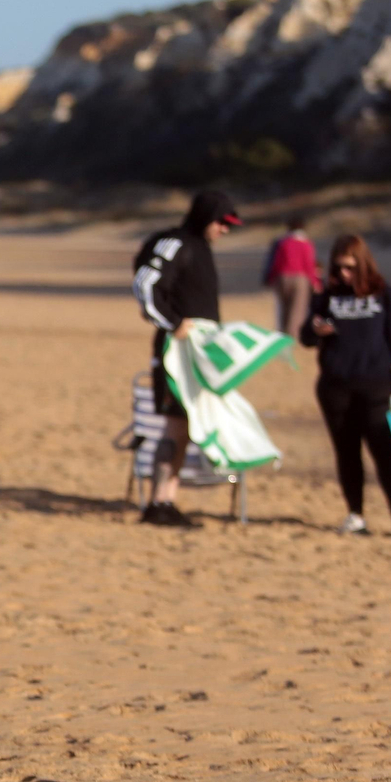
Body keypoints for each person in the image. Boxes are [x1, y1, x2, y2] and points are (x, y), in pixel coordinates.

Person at [132, 189, 241, 528]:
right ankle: (158, 502)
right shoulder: (176, 242)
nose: (225, 230)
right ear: (206, 217)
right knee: (175, 424)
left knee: (185, 428)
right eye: (222, 223)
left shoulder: (201, 249)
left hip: (199, 351)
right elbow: (145, 281)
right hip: (175, 352)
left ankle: (167, 498)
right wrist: (171, 322)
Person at [300, 234, 391, 541]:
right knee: (346, 452)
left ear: (363, 265)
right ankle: (356, 514)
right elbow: (305, 337)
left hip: (376, 386)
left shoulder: (384, 294)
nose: (344, 275)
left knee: (384, 451)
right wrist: (315, 329)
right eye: (339, 269)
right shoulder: (327, 296)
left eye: (350, 268)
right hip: (335, 388)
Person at [264, 215, 320, 336]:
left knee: (283, 308)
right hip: (300, 279)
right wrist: (315, 282)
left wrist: (271, 278)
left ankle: (282, 334)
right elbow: (309, 265)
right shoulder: (306, 243)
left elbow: (276, 262)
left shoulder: (283, 243)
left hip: (282, 278)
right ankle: (292, 336)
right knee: (297, 310)